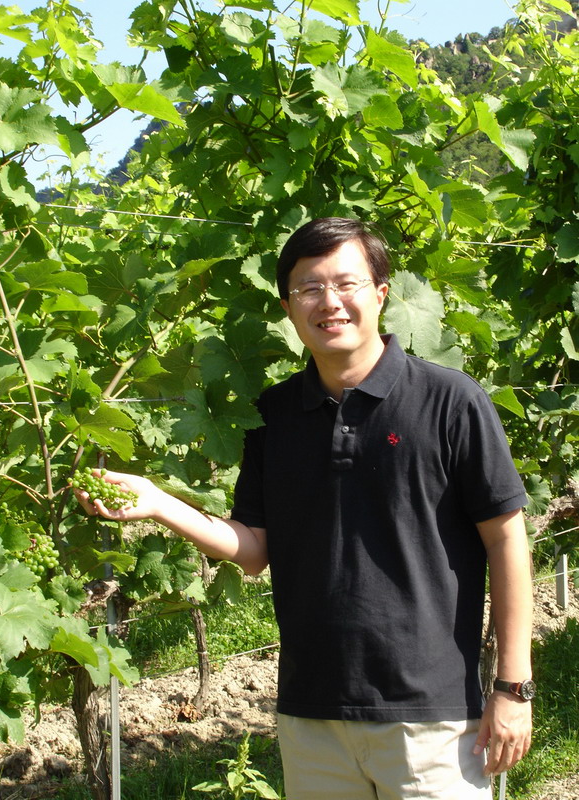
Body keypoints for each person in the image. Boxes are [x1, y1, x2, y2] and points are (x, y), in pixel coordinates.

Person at [76, 218, 533, 799]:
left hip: (432, 719)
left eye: (346, 283)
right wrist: (159, 503)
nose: (329, 302)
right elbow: (253, 550)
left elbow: (506, 539)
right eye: (309, 288)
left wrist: (512, 689)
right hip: (311, 715)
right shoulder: (273, 415)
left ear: (381, 293)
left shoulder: (450, 400)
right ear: (288, 308)